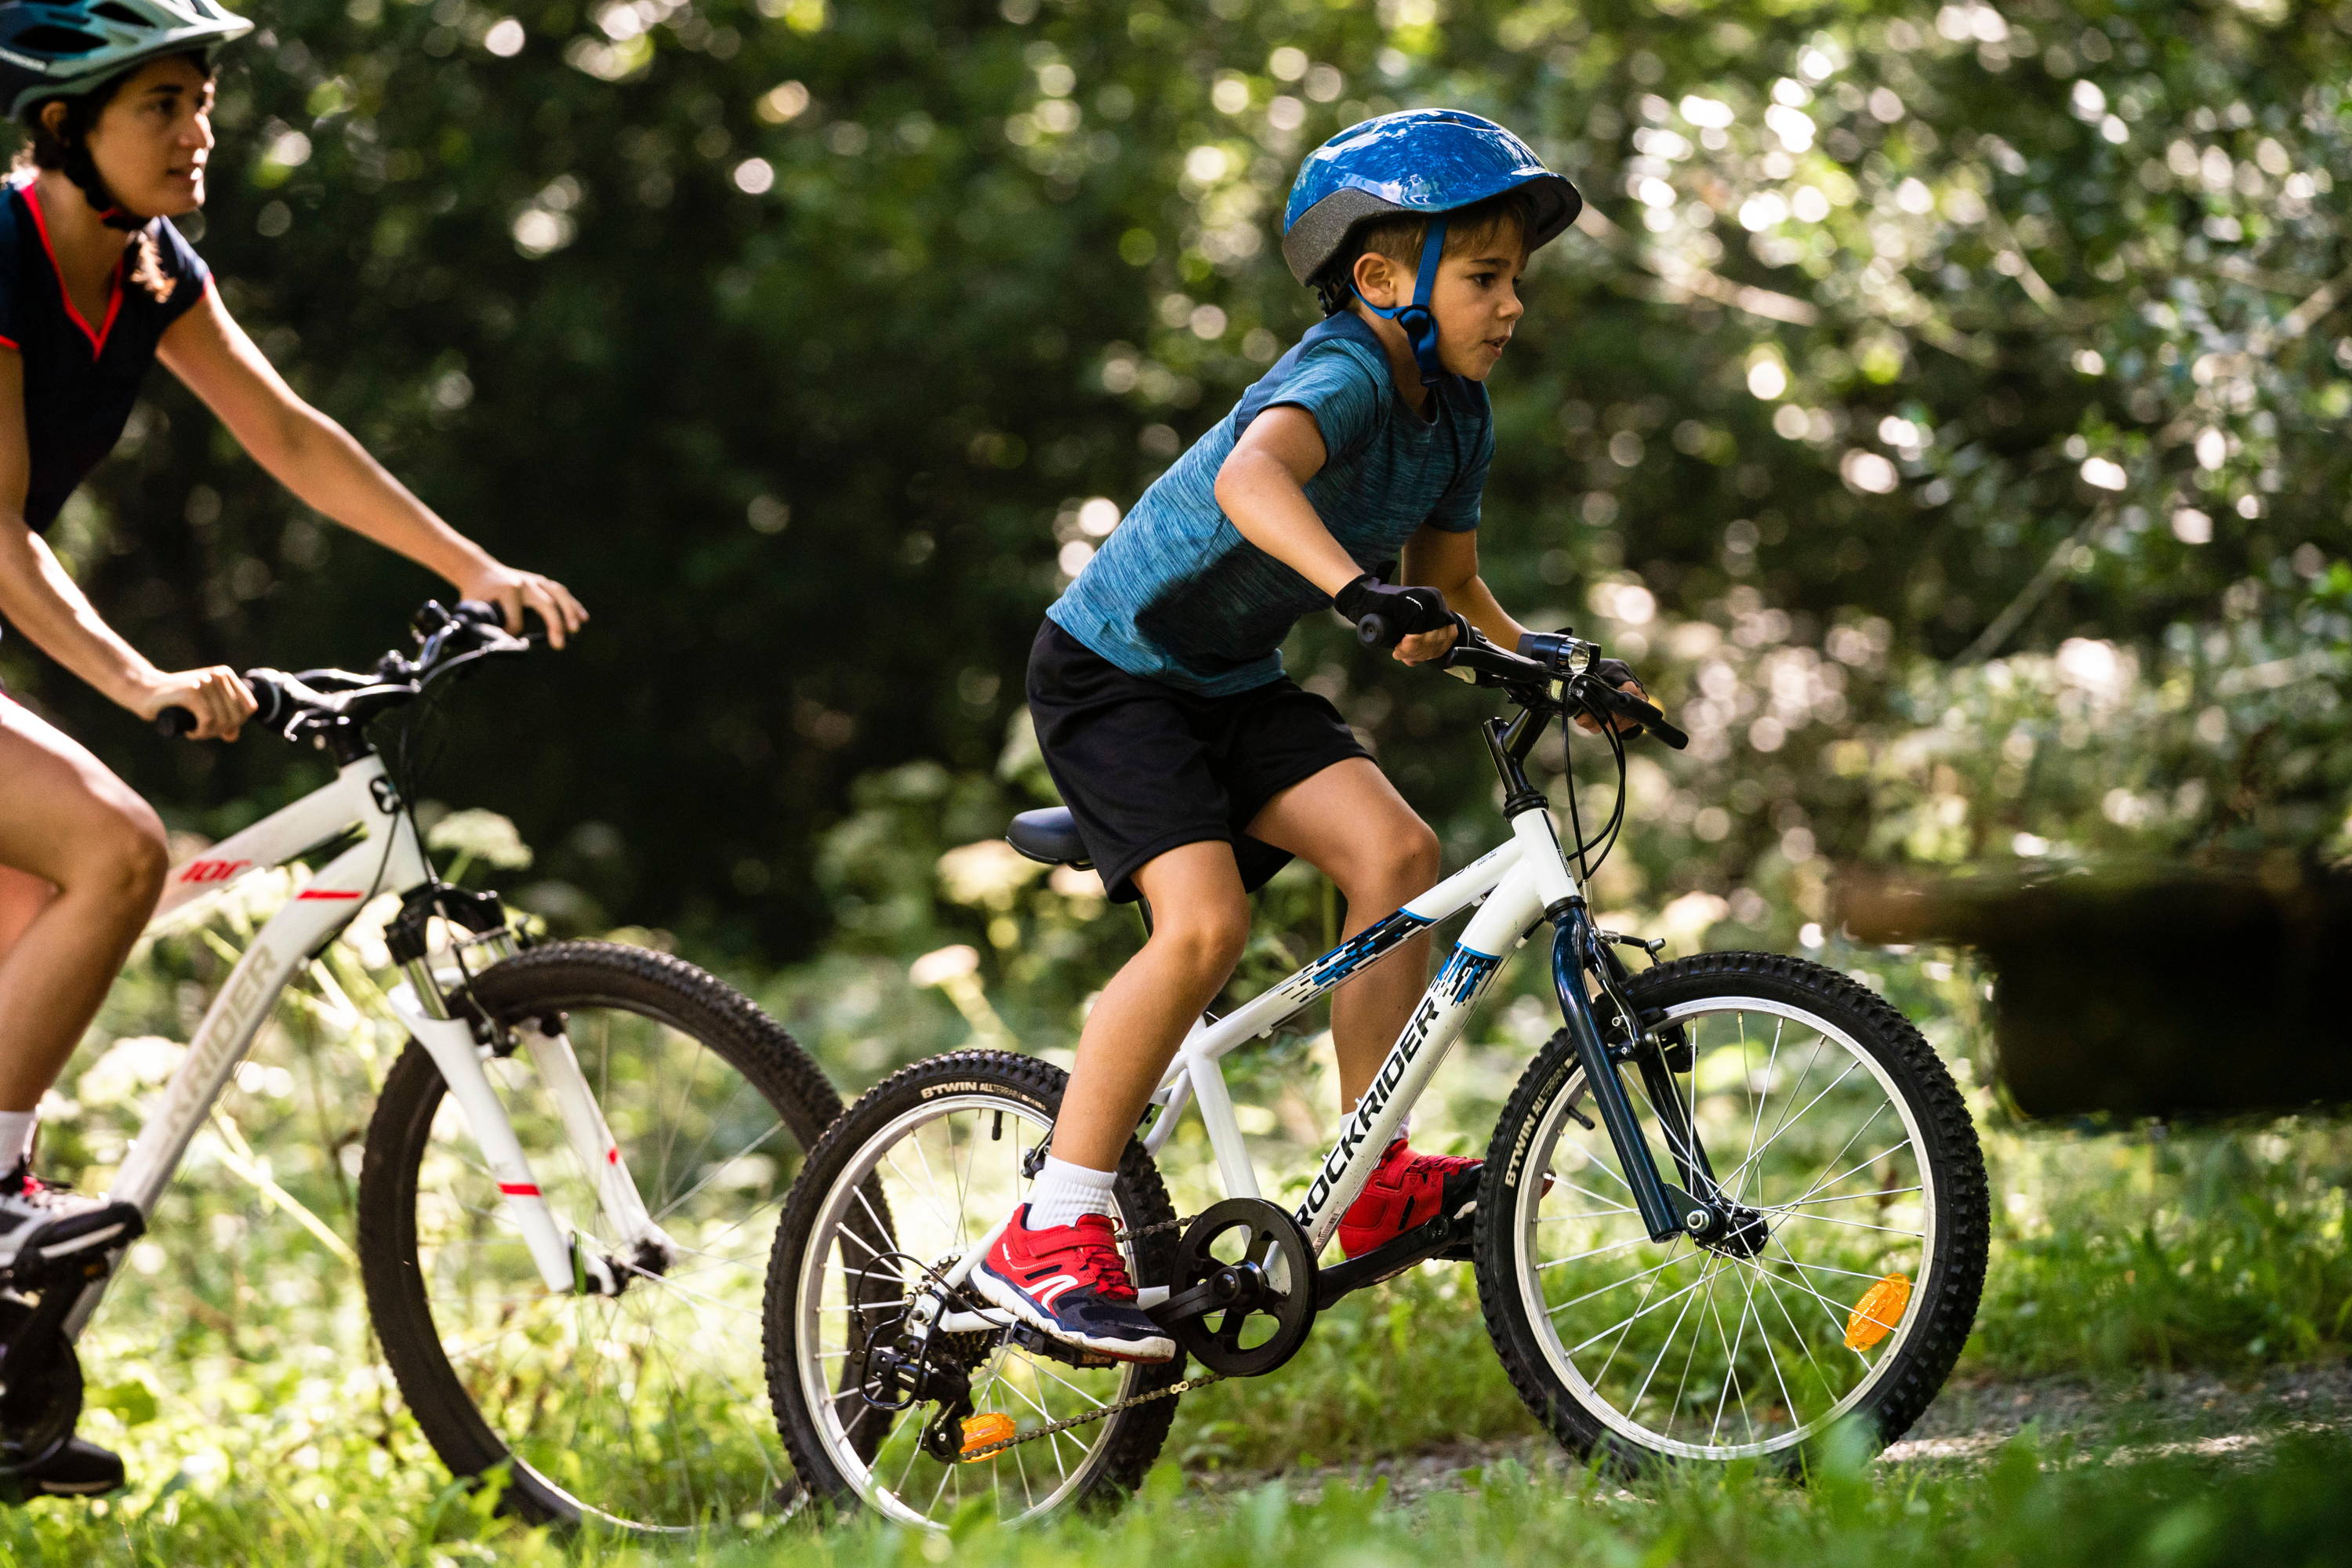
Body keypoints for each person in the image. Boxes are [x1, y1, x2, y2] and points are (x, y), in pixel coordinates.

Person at [0, 0, 585, 1494]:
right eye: (163, 107)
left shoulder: (145, 266)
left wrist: (471, 569)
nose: (200, 131)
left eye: (202, 99)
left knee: (32, 940)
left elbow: (292, 435)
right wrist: (138, 680)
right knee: (117, 849)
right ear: (65, 128)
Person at [974, 110, 1655, 1363]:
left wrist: (1560, 666)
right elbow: (1251, 481)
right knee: (1208, 925)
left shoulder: (1457, 416)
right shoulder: (1341, 370)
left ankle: (1374, 1173)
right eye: (1486, 275)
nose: (1512, 305)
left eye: (1518, 280)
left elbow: (1448, 584)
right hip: (1114, 677)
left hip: (1230, 681)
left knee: (1397, 858)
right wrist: (1353, 590)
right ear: (1384, 281)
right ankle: (1050, 1227)